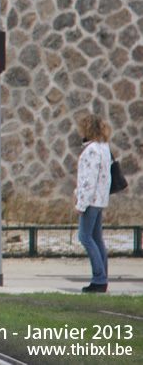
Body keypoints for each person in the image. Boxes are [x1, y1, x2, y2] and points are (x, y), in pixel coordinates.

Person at [74, 114, 112, 293]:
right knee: (97, 238)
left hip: (91, 201)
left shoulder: (91, 150)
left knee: (85, 237)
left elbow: (89, 180)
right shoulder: (104, 147)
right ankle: (102, 277)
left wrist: (81, 204)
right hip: (100, 199)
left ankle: (99, 278)